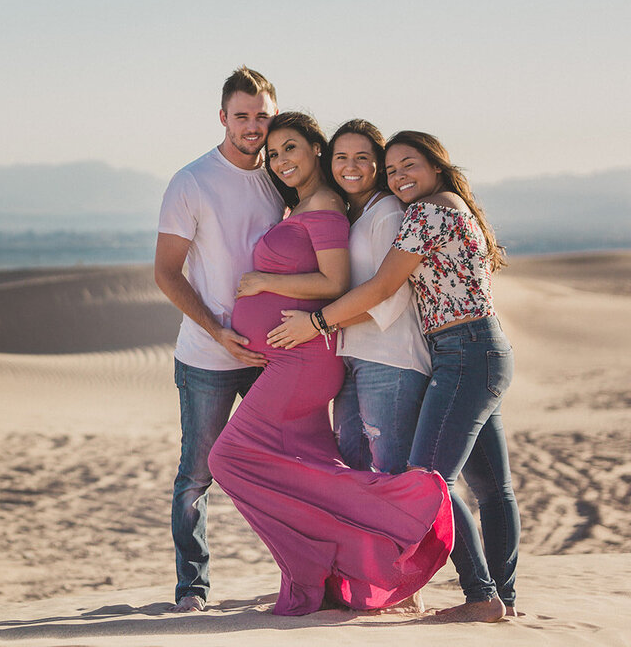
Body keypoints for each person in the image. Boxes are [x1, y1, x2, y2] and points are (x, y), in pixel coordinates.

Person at [208, 113, 453, 616]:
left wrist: (264, 285)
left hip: (325, 360)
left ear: (314, 151)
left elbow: (340, 284)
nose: (280, 161)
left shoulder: (338, 208)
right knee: (322, 467)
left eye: (291, 148)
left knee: (229, 458)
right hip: (321, 356)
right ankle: (327, 577)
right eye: (273, 154)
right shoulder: (321, 206)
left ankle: (409, 517)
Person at [267, 130, 518, 622]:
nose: (401, 176)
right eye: (395, 168)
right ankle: (502, 598)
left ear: (438, 168)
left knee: (427, 482)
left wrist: (317, 322)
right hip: (480, 349)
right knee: (492, 488)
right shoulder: (452, 207)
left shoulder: (425, 213)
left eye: (411, 166)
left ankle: (482, 595)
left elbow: (383, 285)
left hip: (463, 353)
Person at [154, 66, 286, 613]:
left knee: (285, 469)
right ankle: (193, 587)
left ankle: (301, 578)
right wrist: (217, 330)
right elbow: (166, 272)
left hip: (273, 354)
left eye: (262, 116)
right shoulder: (192, 180)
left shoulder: (284, 177)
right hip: (208, 356)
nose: (253, 126)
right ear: (222, 117)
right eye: (242, 116)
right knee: (196, 476)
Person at [326, 120, 432, 473]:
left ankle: (455, 532)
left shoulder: (387, 212)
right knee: (354, 466)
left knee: (399, 474)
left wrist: (321, 324)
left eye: (362, 157)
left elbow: (392, 298)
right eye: (341, 157)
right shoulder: (353, 214)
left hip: (390, 361)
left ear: (378, 164)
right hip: (354, 357)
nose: (350, 167)